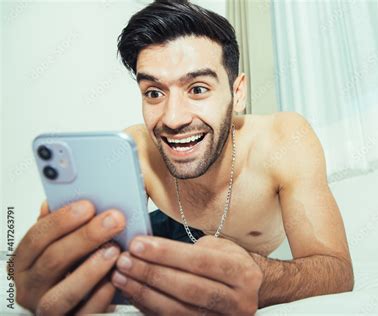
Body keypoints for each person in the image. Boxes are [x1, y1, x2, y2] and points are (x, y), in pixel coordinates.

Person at [13, 0, 354, 314]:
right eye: (154, 92)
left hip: (251, 259)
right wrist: (46, 271)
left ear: (237, 93)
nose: (173, 118)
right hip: (168, 234)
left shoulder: (285, 139)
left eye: (198, 89)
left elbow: (336, 270)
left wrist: (262, 277)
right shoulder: (135, 149)